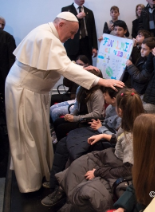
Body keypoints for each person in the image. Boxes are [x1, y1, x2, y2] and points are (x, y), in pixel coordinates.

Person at [5, 12, 124, 193]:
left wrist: (84, 69)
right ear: (61, 24)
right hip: (25, 91)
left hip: (34, 92)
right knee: (28, 136)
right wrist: (101, 81)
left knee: (36, 135)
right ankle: (30, 183)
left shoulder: (48, 34)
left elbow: (63, 63)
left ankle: (39, 174)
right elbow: (66, 67)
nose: (72, 37)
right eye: (71, 32)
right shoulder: (46, 37)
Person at [42, 88, 144, 209]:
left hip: (119, 164)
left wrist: (97, 172)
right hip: (113, 155)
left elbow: (128, 169)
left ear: (120, 111)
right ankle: (61, 189)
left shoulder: (130, 138)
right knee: (78, 163)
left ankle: (69, 201)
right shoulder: (127, 125)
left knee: (83, 177)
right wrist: (103, 135)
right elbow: (119, 138)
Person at [42, 85, 122, 191]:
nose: (104, 96)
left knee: (74, 150)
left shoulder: (123, 116)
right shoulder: (111, 108)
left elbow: (116, 137)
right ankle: (54, 181)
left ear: (114, 99)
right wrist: (99, 125)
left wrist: (101, 129)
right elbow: (106, 122)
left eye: (106, 94)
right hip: (99, 131)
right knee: (63, 143)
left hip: (106, 139)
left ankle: (61, 187)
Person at [52, 68, 105, 142]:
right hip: (80, 117)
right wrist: (71, 115)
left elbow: (96, 114)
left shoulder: (97, 93)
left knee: (61, 128)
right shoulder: (80, 88)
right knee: (57, 122)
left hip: (89, 121)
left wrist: (75, 118)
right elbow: (77, 105)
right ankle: (60, 142)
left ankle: (64, 144)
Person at [62, 0, 98, 65]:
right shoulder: (66, 10)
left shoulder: (89, 12)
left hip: (86, 44)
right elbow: (64, 25)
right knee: (71, 67)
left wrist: (94, 47)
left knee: (87, 67)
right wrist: (76, 17)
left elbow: (93, 30)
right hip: (72, 44)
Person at [0, 16, 16, 96]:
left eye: (3, 25)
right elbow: (12, 58)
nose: (1, 26)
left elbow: (12, 57)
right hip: (4, 74)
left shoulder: (8, 37)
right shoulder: (8, 37)